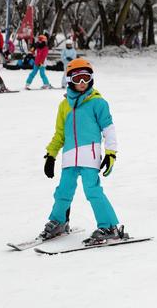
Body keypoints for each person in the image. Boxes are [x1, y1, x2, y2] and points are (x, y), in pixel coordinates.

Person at [39, 58, 124, 245]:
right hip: (69, 155)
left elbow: (109, 129)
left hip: (90, 154)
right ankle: (59, 221)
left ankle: (110, 226)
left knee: (92, 190)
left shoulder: (98, 103)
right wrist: (51, 154)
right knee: (63, 191)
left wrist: (111, 153)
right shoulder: (64, 106)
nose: (82, 83)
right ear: (70, 80)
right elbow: (60, 134)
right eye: (77, 79)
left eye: (85, 78)